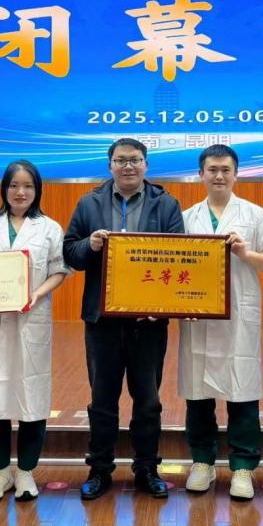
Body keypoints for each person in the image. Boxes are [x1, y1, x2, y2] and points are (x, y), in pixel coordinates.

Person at [63, 138, 184, 500]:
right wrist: (89, 245)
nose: (128, 166)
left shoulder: (166, 203)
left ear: (146, 164)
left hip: (149, 320)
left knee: (147, 399)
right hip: (102, 320)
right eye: (120, 160)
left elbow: (180, 255)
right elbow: (70, 253)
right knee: (102, 399)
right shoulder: (89, 203)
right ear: (110, 165)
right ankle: (100, 469)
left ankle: (147, 468)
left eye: (135, 160)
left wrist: (162, 304)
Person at [179, 145, 263, 500]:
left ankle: (242, 466)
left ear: (236, 174)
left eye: (225, 169)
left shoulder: (254, 214)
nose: (219, 175)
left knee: (243, 393)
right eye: (212, 170)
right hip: (198, 317)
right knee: (197, 394)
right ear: (201, 175)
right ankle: (202, 461)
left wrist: (245, 253)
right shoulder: (187, 217)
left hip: (239, 315)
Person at [0, 161, 69, 503]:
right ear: (4, 189)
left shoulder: (49, 228)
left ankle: (25, 472)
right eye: (14, 185)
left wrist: (36, 294)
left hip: (30, 320)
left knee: (32, 396)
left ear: (37, 190)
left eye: (28, 186)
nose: (20, 192)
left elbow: (59, 270)